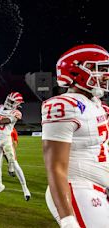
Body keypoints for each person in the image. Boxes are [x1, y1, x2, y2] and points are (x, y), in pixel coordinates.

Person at [42, 44, 109, 228]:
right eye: (100, 69)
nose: (105, 75)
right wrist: (67, 219)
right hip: (78, 188)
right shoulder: (65, 105)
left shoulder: (96, 104)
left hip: (99, 188)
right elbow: (55, 166)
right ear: (77, 71)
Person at [0, 93, 31, 200]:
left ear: (17, 104)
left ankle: (25, 188)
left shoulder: (16, 113)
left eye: (12, 102)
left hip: (6, 140)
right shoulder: (0, 108)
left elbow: (1, 121)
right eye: (9, 100)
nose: (9, 102)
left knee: (14, 163)